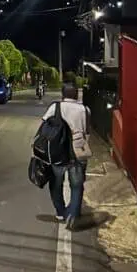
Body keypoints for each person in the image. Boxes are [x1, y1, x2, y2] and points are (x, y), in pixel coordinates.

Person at [42, 84, 92, 230]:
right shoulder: (85, 110)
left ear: (62, 94)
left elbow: (44, 125)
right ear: (76, 95)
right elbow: (87, 132)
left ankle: (61, 212)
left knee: (56, 184)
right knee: (77, 185)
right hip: (77, 152)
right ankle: (73, 215)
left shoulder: (55, 107)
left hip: (58, 153)